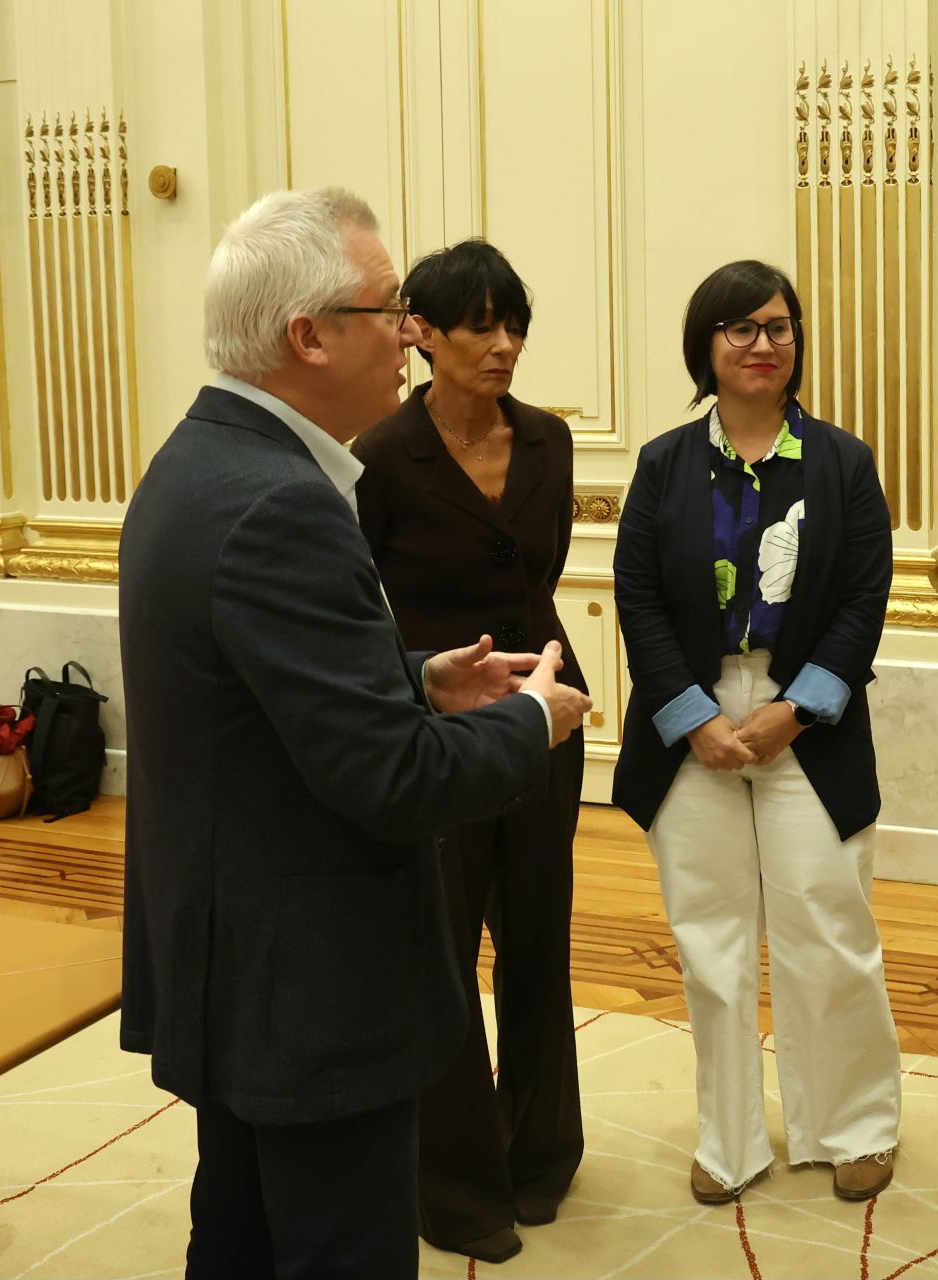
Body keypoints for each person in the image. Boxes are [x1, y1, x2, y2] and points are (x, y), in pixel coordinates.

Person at [118, 187, 590, 1280]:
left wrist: (420, 676)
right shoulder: (284, 502)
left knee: (238, 1237)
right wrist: (532, 721)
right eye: (392, 309)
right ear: (308, 334)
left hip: (237, 963)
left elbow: (267, 689)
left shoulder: (198, 460)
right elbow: (388, 777)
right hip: (312, 989)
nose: (410, 335)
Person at [611, 260, 901, 1206]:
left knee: (828, 924)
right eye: (739, 328)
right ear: (707, 344)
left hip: (805, 719)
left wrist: (793, 711)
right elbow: (639, 600)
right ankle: (728, 1140)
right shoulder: (661, 463)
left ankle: (853, 1127)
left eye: (778, 326)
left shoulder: (843, 462)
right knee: (712, 942)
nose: (761, 343)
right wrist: (695, 720)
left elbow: (864, 599)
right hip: (689, 722)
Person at [351, 239, 585, 1265]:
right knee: (441, 955)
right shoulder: (376, 454)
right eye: (480, 324)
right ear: (422, 333)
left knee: (538, 939)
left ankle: (539, 1154)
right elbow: (363, 603)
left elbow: (542, 572)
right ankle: (452, 1184)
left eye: (514, 322)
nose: (504, 344)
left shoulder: (548, 441)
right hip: (439, 731)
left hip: (543, 717)